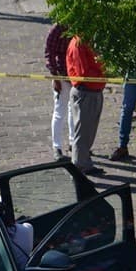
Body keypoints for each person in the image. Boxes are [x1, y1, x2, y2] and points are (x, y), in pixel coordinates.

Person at [66, 35, 106, 176]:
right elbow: (84, 72)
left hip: (94, 91)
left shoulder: (87, 41)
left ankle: (84, 162)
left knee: (88, 131)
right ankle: (79, 166)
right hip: (86, 92)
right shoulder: (78, 43)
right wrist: (104, 71)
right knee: (82, 133)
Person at [44, 24, 73, 162]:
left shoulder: (81, 25)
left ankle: (73, 143)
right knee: (60, 111)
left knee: (74, 111)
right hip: (61, 74)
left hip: (76, 76)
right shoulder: (58, 28)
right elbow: (49, 52)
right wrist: (55, 77)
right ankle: (57, 147)